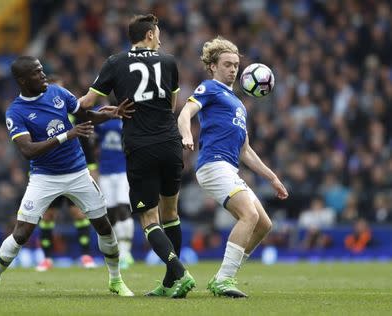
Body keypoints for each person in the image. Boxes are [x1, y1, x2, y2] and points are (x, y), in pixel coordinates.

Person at [0, 56, 134, 297]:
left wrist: (111, 114)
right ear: (22, 80)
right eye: (37, 73)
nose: (43, 75)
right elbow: (27, 150)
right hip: (44, 177)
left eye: (42, 70)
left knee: (104, 227)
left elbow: (85, 116)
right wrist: (66, 135)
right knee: (21, 233)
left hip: (78, 173)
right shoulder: (15, 112)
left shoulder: (58, 92)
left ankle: (116, 280)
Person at [79, 14, 196, 298]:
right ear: (148, 36)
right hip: (170, 143)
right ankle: (170, 284)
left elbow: (85, 104)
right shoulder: (168, 62)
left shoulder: (115, 63)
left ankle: (178, 272)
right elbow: (171, 105)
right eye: (158, 33)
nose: (161, 38)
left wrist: (109, 111)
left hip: (140, 146)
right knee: (171, 213)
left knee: (148, 218)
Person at [178, 36, 289, 298]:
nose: (232, 69)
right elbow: (185, 112)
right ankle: (224, 279)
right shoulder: (210, 89)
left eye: (236, 65)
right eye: (227, 64)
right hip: (212, 165)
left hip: (229, 167)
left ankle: (223, 276)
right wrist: (186, 134)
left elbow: (245, 151)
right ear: (213, 67)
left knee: (263, 224)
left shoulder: (239, 104)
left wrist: (272, 178)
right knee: (248, 215)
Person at [35, 75, 98, 272]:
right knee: (47, 216)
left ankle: (86, 256)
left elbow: (86, 141)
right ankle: (46, 258)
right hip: (49, 172)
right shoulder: (39, 114)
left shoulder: (73, 112)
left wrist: (93, 168)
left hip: (75, 170)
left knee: (78, 213)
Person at [94, 116, 134, 269]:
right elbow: (93, 138)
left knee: (123, 208)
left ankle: (126, 252)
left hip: (123, 171)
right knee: (110, 212)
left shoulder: (128, 117)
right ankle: (121, 251)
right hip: (105, 171)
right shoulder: (101, 115)